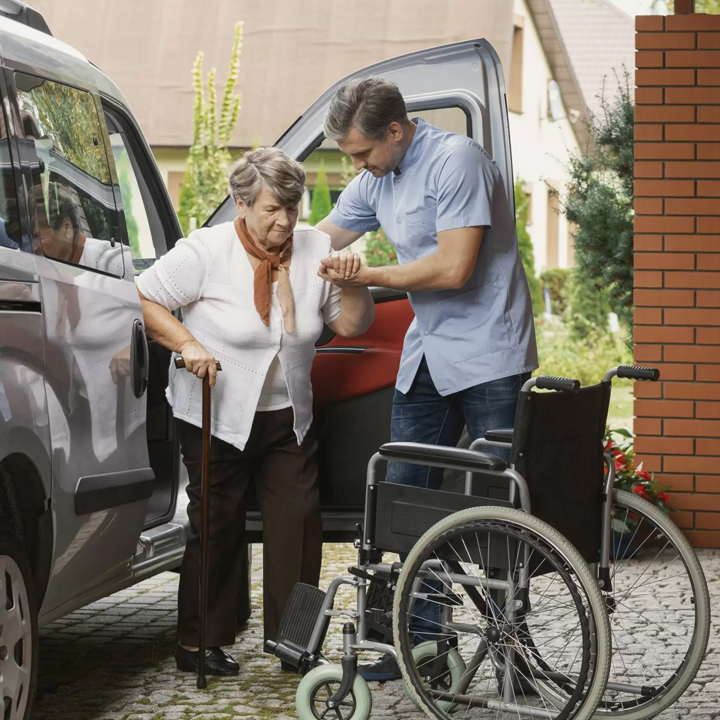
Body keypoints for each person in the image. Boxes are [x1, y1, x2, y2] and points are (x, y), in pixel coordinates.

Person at [316, 77, 538, 681]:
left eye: (362, 153)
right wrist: (257, 246)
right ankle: (424, 649)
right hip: (429, 358)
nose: (356, 166)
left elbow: (454, 268)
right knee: (405, 498)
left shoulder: (457, 162)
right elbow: (322, 237)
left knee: (497, 513)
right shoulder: (376, 178)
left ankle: (511, 653)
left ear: (396, 130)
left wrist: (365, 273)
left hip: (491, 353)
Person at [136, 148, 375, 677]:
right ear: (241, 204)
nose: (286, 220)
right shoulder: (206, 250)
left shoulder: (316, 248)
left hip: (289, 417)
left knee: (299, 527)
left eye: (293, 206)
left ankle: (295, 644)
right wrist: (186, 343)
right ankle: (200, 642)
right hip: (215, 412)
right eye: (272, 209)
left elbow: (352, 325)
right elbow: (146, 297)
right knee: (216, 526)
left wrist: (355, 281)